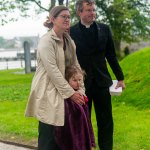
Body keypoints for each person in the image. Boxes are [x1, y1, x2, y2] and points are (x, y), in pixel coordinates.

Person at [25, 5, 85, 150]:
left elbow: (76, 67)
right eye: (63, 16)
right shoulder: (46, 41)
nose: (67, 19)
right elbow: (53, 71)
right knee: (48, 139)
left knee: (64, 140)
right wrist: (71, 94)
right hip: (48, 93)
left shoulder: (69, 41)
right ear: (53, 19)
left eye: (69, 17)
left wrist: (81, 90)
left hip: (64, 93)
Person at [70, 0, 126, 150]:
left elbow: (111, 55)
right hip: (81, 85)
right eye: (88, 10)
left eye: (94, 10)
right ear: (79, 12)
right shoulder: (71, 31)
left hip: (102, 82)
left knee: (106, 121)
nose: (92, 13)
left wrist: (120, 77)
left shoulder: (105, 29)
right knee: (82, 121)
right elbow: (68, 59)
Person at [54, 65, 96, 150]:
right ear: (67, 81)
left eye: (80, 80)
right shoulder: (67, 99)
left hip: (82, 131)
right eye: (74, 80)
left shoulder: (80, 94)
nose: (78, 83)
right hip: (72, 135)